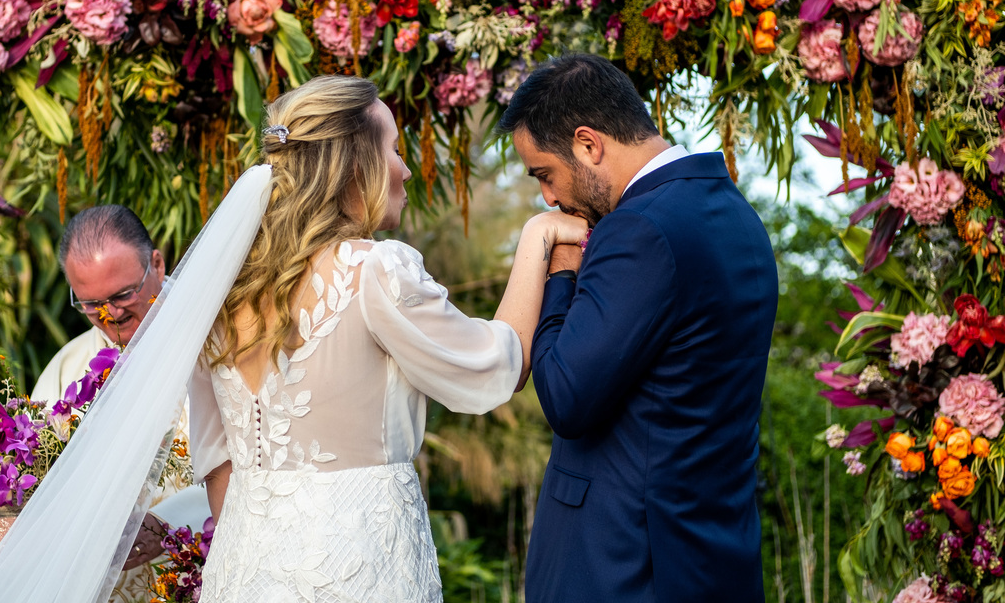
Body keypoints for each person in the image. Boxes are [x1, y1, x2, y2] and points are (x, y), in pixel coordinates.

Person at [186, 74, 585, 601]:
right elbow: (494, 368)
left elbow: (216, 461)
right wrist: (537, 238)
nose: (406, 169)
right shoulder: (373, 268)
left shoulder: (216, 291)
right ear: (358, 165)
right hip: (358, 566)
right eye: (394, 149)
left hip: (242, 574)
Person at [498, 53, 778, 603]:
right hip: (713, 557)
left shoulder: (639, 230)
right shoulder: (738, 217)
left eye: (545, 175)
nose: (550, 198)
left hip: (622, 564)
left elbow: (566, 397)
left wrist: (560, 271)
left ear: (588, 144)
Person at [30, 206, 210, 601]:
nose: (110, 314)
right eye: (91, 304)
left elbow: (261, 460)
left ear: (158, 265)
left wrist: (171, 522)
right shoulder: (67, 369)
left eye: (123, 294)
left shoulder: (216, 345)